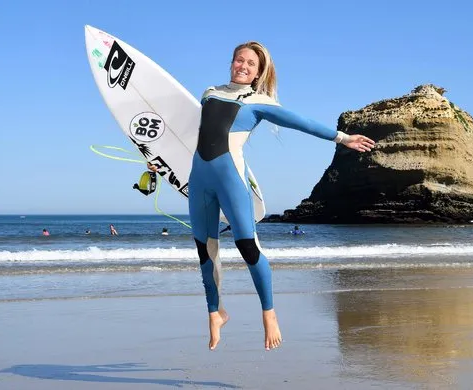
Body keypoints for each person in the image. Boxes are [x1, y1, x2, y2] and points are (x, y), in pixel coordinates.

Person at [151, 41, 375, 351]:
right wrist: (158, 157)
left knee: (246, 244)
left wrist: (343, 138)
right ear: (231, 62)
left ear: (258, 73)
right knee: (205, 248)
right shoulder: (209, 93)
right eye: (238, 60)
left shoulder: (259, 102)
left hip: (231, 180)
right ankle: (215, 313)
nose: (242, 66)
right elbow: (192, 134)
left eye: (250, 64)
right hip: (199, 180)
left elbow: (302, 122)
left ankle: (268, 313)